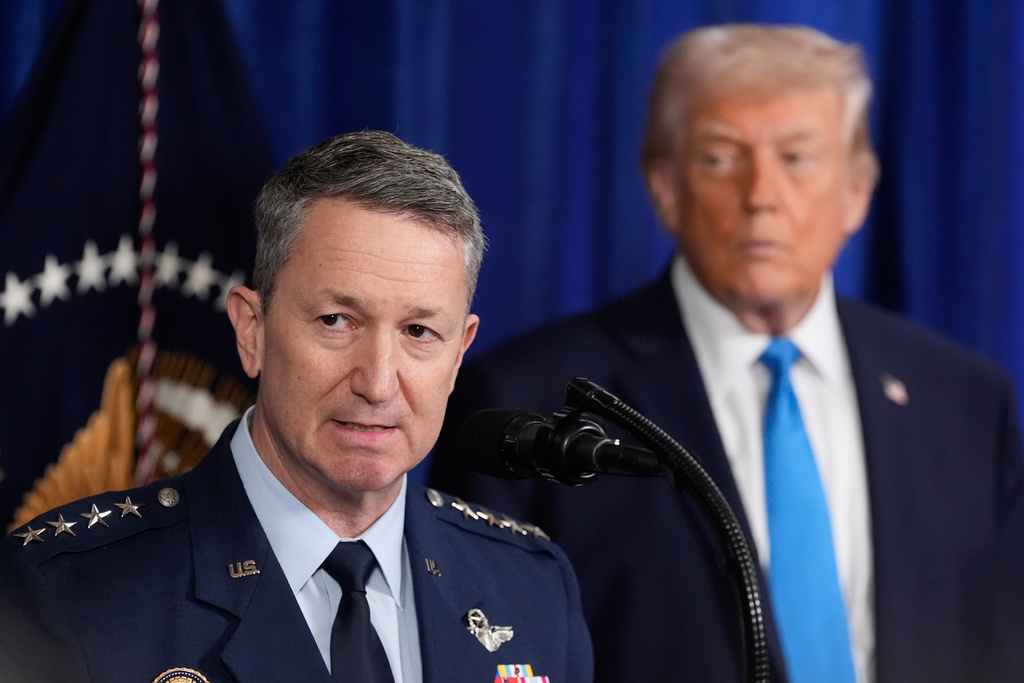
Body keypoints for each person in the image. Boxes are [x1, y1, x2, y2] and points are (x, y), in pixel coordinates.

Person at [430, 24, 1024, 683]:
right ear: (665, 186)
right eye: (720, 157)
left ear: (857, 190)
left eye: (797, 157)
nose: (761, 195)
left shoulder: (966, 401)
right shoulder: (526, 399)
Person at [0, 131, 593, 683]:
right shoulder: (64, 594)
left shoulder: (532, 588)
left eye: (418, 332)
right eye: (337, 321)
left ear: (459, 354)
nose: (379, 383)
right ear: (252, 331)